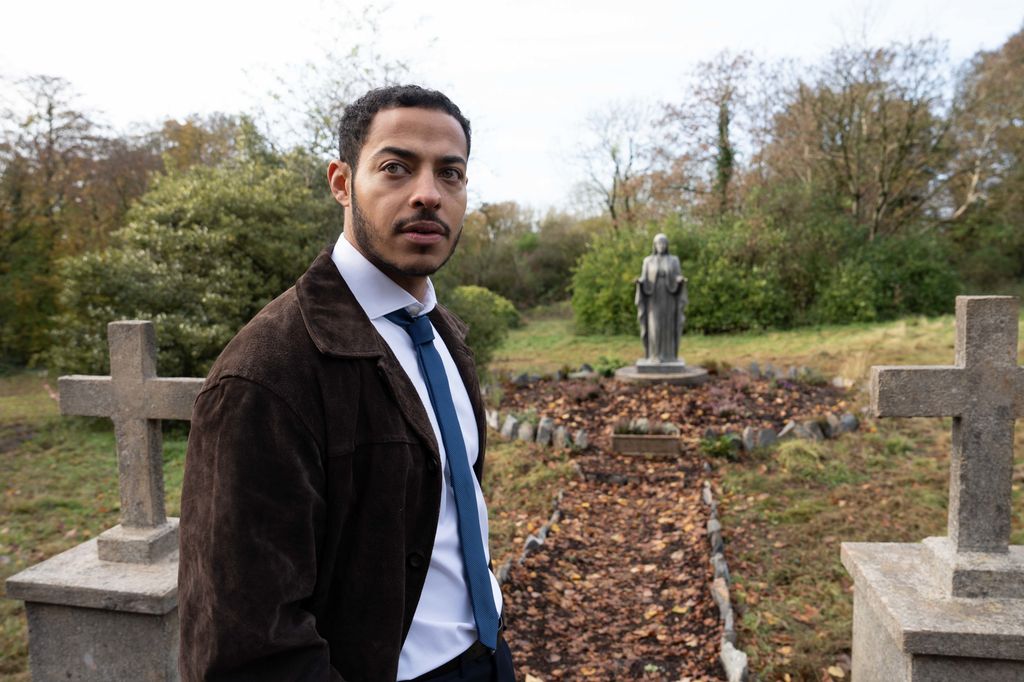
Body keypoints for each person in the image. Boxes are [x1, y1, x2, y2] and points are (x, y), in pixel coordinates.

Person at [178, 85, 515, 682]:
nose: (428, 194)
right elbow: (247, 643)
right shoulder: (266, 373)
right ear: (341, 181)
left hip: (488, 656)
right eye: (395, 167)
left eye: (451, 174)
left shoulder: (442, 336)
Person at [635, 233, 687, 363]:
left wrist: (679, 279)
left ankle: (669, 355)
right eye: (658, 243)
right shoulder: (648, 261)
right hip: (653, 296)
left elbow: (677, 275)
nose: (661, 246)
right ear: (654, 245)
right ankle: (654, 355)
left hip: (669, 296)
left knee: (668, 325)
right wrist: (640, 282)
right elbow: (644, 277)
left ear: (667, 245)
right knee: (654, 325)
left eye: (664, 243)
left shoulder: (674, 260)